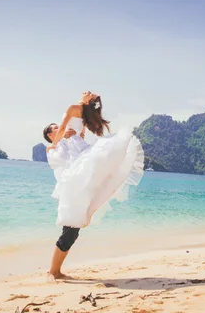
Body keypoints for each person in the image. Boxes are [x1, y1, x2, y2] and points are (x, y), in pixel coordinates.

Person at [43, 91, 145, 280]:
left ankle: (55, 271)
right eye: (55, 128)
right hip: (73, 186)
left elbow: (79, 134)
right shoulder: (54, 149)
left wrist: (74, 133)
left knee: (74, 231)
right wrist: (61, 140)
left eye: (59, 126)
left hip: (83, 182)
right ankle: (53, 272)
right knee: (70, 231)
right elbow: (63, 168)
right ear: (50, 135)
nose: (60, 127)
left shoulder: (72, 136)